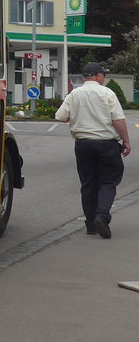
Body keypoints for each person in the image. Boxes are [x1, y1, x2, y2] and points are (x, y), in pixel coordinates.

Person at [54, 62, 131, 238]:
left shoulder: (74, 94)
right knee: (108, 182)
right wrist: (126, 141)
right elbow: (118, 119)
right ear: (97, 76)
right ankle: (102, 216)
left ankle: (90, 225)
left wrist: (78, 120)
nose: (103, 78)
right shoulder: (107, 93)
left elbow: (60, 116)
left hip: (83, 144)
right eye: (103, 75)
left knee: (88, 184)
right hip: (107, 143)